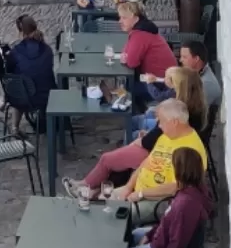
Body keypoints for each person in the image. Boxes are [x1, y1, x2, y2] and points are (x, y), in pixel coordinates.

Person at [64, 62, 208, 202]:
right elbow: (160, 132)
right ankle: (93, 191)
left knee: (107, 159)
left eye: (171, 81)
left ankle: (85, 186)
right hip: (156, 149)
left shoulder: (180, 112)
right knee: (122, 158)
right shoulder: (191, 107)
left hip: (155, 152)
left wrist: (139, 142)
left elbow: (158, 135)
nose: (167, 83)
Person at [112, 98, 208, 224]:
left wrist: (141, 194)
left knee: (115, 216)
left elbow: (178, 186)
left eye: (161, 121)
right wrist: (128, 187)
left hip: (159, 201)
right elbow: (145, 163)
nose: (159, 125)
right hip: (137, 191)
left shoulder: (190, 149)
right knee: (101, 201)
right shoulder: (166, 136)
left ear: (174, 122)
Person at [128, 147, 212, 248]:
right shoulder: (190, 190)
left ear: (180, 170)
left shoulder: (185, 204)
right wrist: (150, 235)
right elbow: (166, 220)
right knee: (133, 234)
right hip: (160, 241)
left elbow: (177, 246)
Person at [5, 15, 56, 129]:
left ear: (20, 32)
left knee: (18, 86)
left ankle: (15, 127)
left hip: (23, 99)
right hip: (46, 96)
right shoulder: (47, 49)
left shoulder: (15, 51)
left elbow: (9, 72)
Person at [131, 64, 208, 136]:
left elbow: (159, 132)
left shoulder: (179, 107)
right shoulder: (197, 103)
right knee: (139, 119)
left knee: (136, 128)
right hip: (169, 132)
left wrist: (147, 134)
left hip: (167, 137)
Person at [117, 0, 176, 79]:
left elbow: (131, 62)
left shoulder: (140, 35)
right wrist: (125, 56)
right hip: (165, 78)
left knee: (127, 86)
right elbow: (125, 51)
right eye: (120, 17)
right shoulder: (141, 30)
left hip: (162, 83)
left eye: (124, 18)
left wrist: (125, 58)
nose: (120, 21)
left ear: (136, 18)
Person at [180, 40, 222, 109]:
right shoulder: (195, 74)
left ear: (196, 59)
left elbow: (189, 110)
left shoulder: (207, 83)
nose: (181, 60)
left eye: (184, 57)